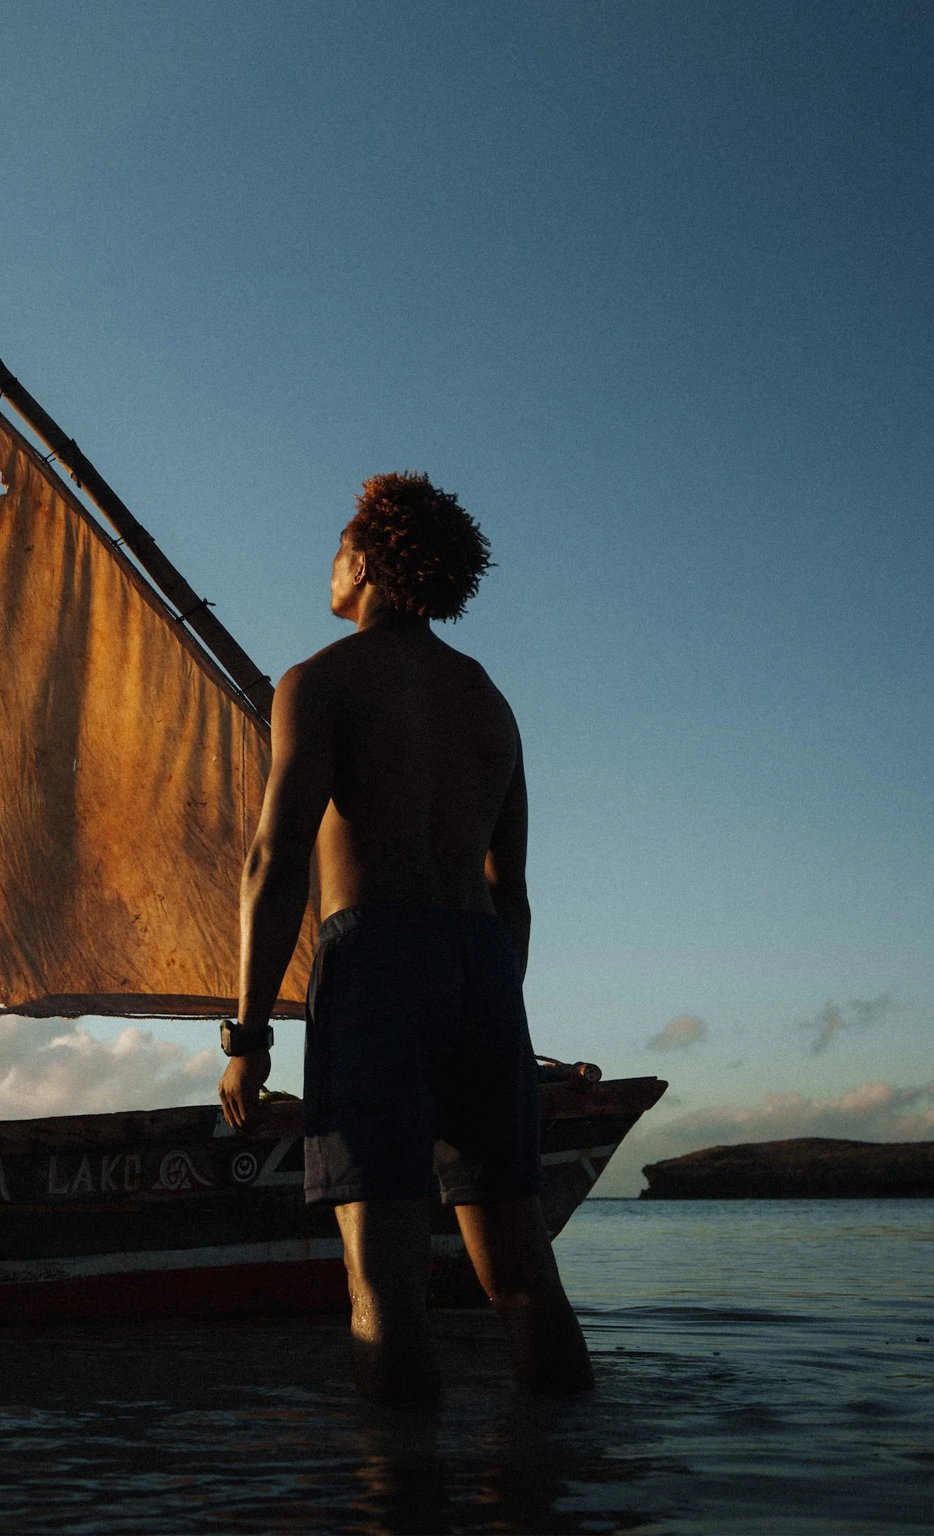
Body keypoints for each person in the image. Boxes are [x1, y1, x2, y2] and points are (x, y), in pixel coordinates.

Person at [217, 471, 592, 1405]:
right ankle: (566, 1485)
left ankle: (400, 1501)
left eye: (339, 545)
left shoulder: (320, 680)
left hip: (377, 958)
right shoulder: (488, 702)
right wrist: (501, 1014)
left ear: (368, 561)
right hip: (483, 968)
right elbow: (513, 891)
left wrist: (250, 1035)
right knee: (521, 1278)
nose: (330, 563)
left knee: (384, 1288)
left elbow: (275, 859)